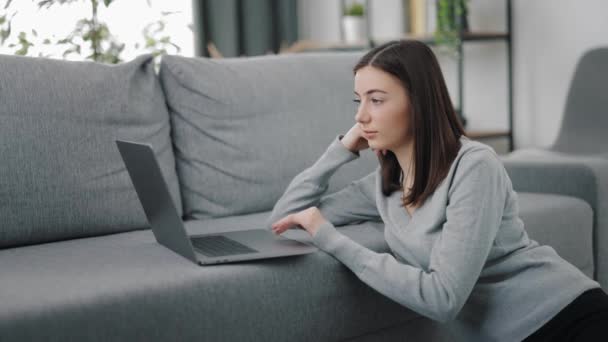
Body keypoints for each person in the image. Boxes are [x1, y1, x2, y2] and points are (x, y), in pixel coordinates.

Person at [265, 40, 608, 341]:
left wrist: (331, 239)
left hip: (568, 318)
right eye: (359, 100)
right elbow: (285, 216)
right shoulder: (384, 186)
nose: (361, 116)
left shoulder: (474, 167)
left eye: (377, 100)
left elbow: (442, 298)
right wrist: (340, 149)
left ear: (418, 102)